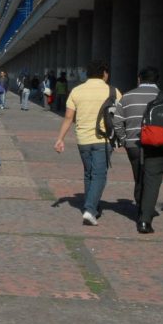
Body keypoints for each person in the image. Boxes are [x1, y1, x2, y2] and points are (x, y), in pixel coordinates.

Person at [54, 60, 121, 226]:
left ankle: (93, 206)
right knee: (99, 174)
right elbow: (121, 115)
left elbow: (69, 117)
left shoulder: (77, 91)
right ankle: (90, 209)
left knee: (89, 173)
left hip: (82, 139)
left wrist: (60, 138)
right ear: (104, 73)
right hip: (103, 139)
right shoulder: (113, 91)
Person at [113, 66, 163, 234]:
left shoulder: (127, 96)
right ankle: (145, 219)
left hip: (134, 145)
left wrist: (124, 140)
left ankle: (142, 207)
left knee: (140, 177)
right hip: (159, 145)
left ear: (139, 79)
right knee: (152, 180)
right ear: (157, 80)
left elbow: (117, 122)